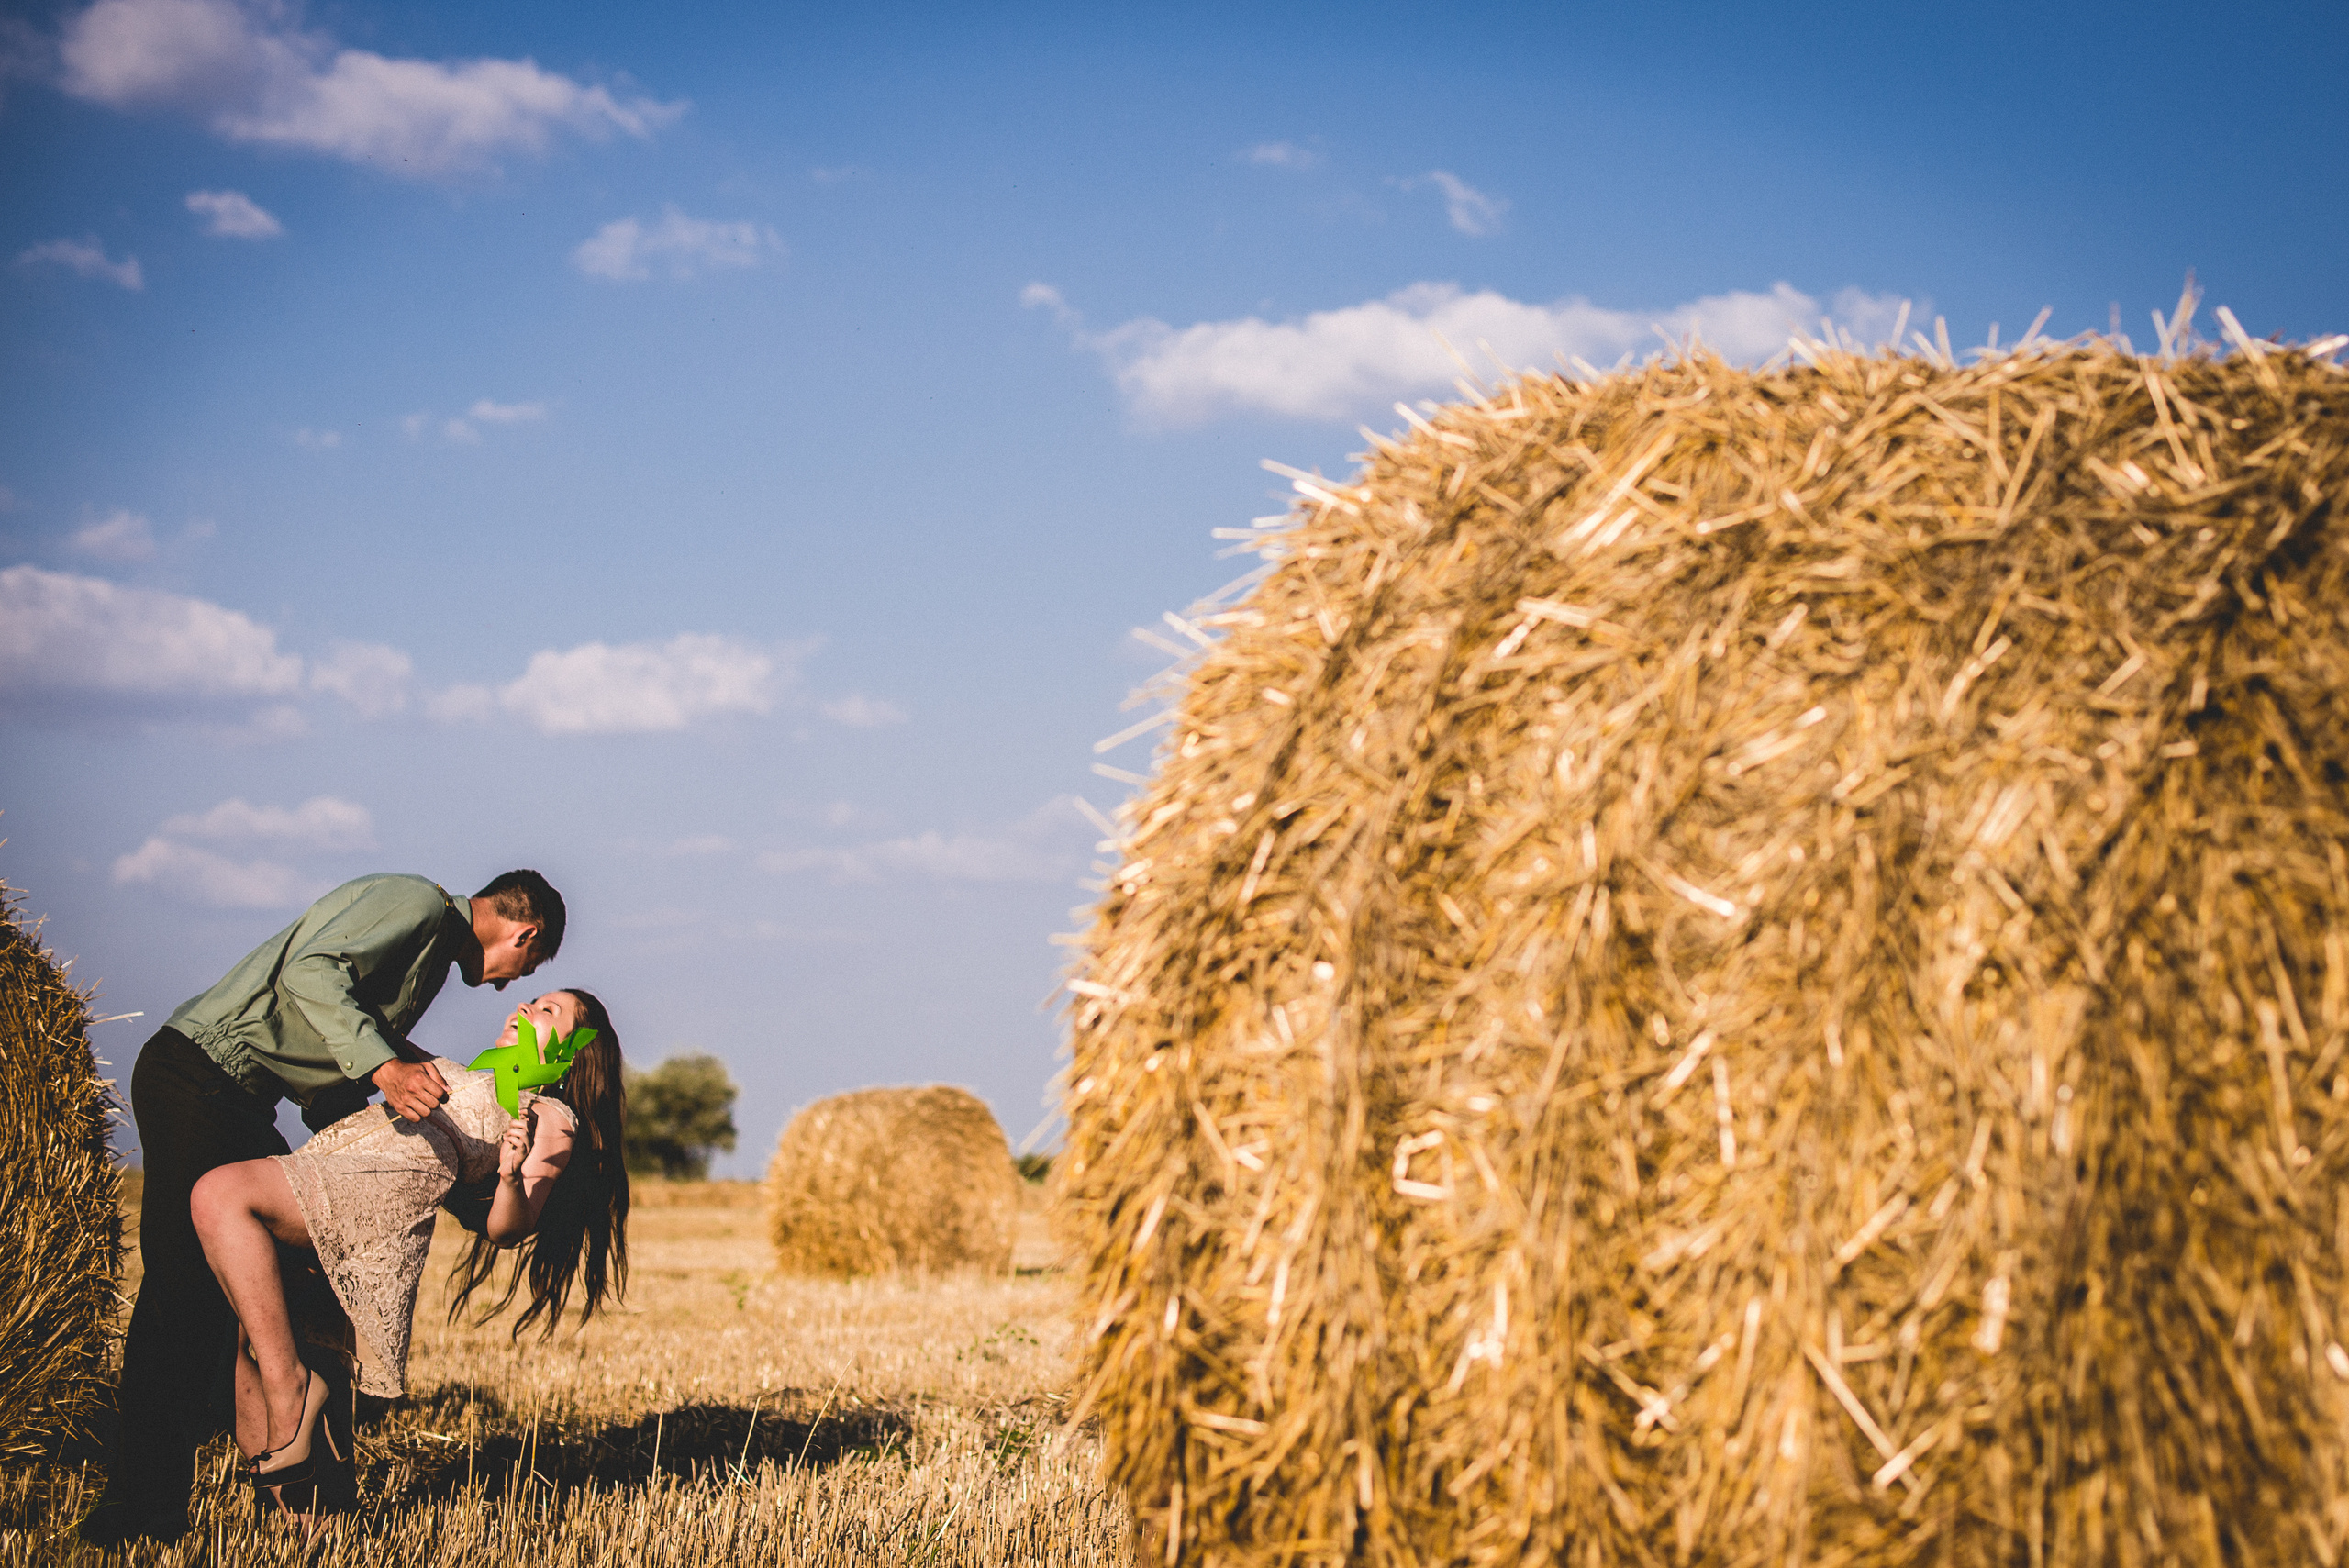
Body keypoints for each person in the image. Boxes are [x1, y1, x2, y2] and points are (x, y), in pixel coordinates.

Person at [81, 870, 566, 1547]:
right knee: (180, 1285)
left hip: (239, 1098)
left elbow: (331, 1070)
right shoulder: (421, 905)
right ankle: (141, 1505)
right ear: (526, 931)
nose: (510, 986)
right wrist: (387, 1069)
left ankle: (299, 1494)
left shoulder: (426, 961)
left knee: (279, 1281)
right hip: (198, 1074)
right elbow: (311, 974)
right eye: (527, 967)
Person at [189, 989, 629, 1518]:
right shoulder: (473, 1075)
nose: (525, 1008)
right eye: (531, 1000)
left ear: (577, 1050)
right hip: (340, 1164)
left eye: (548, 1011)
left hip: (371, 1196)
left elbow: (509, 1229)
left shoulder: (549, 1112)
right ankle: (306, 1523)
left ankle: (293, 1390)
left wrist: (510, 1178)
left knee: (219, 1194)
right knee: (236, 1345)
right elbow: (375, 1042)